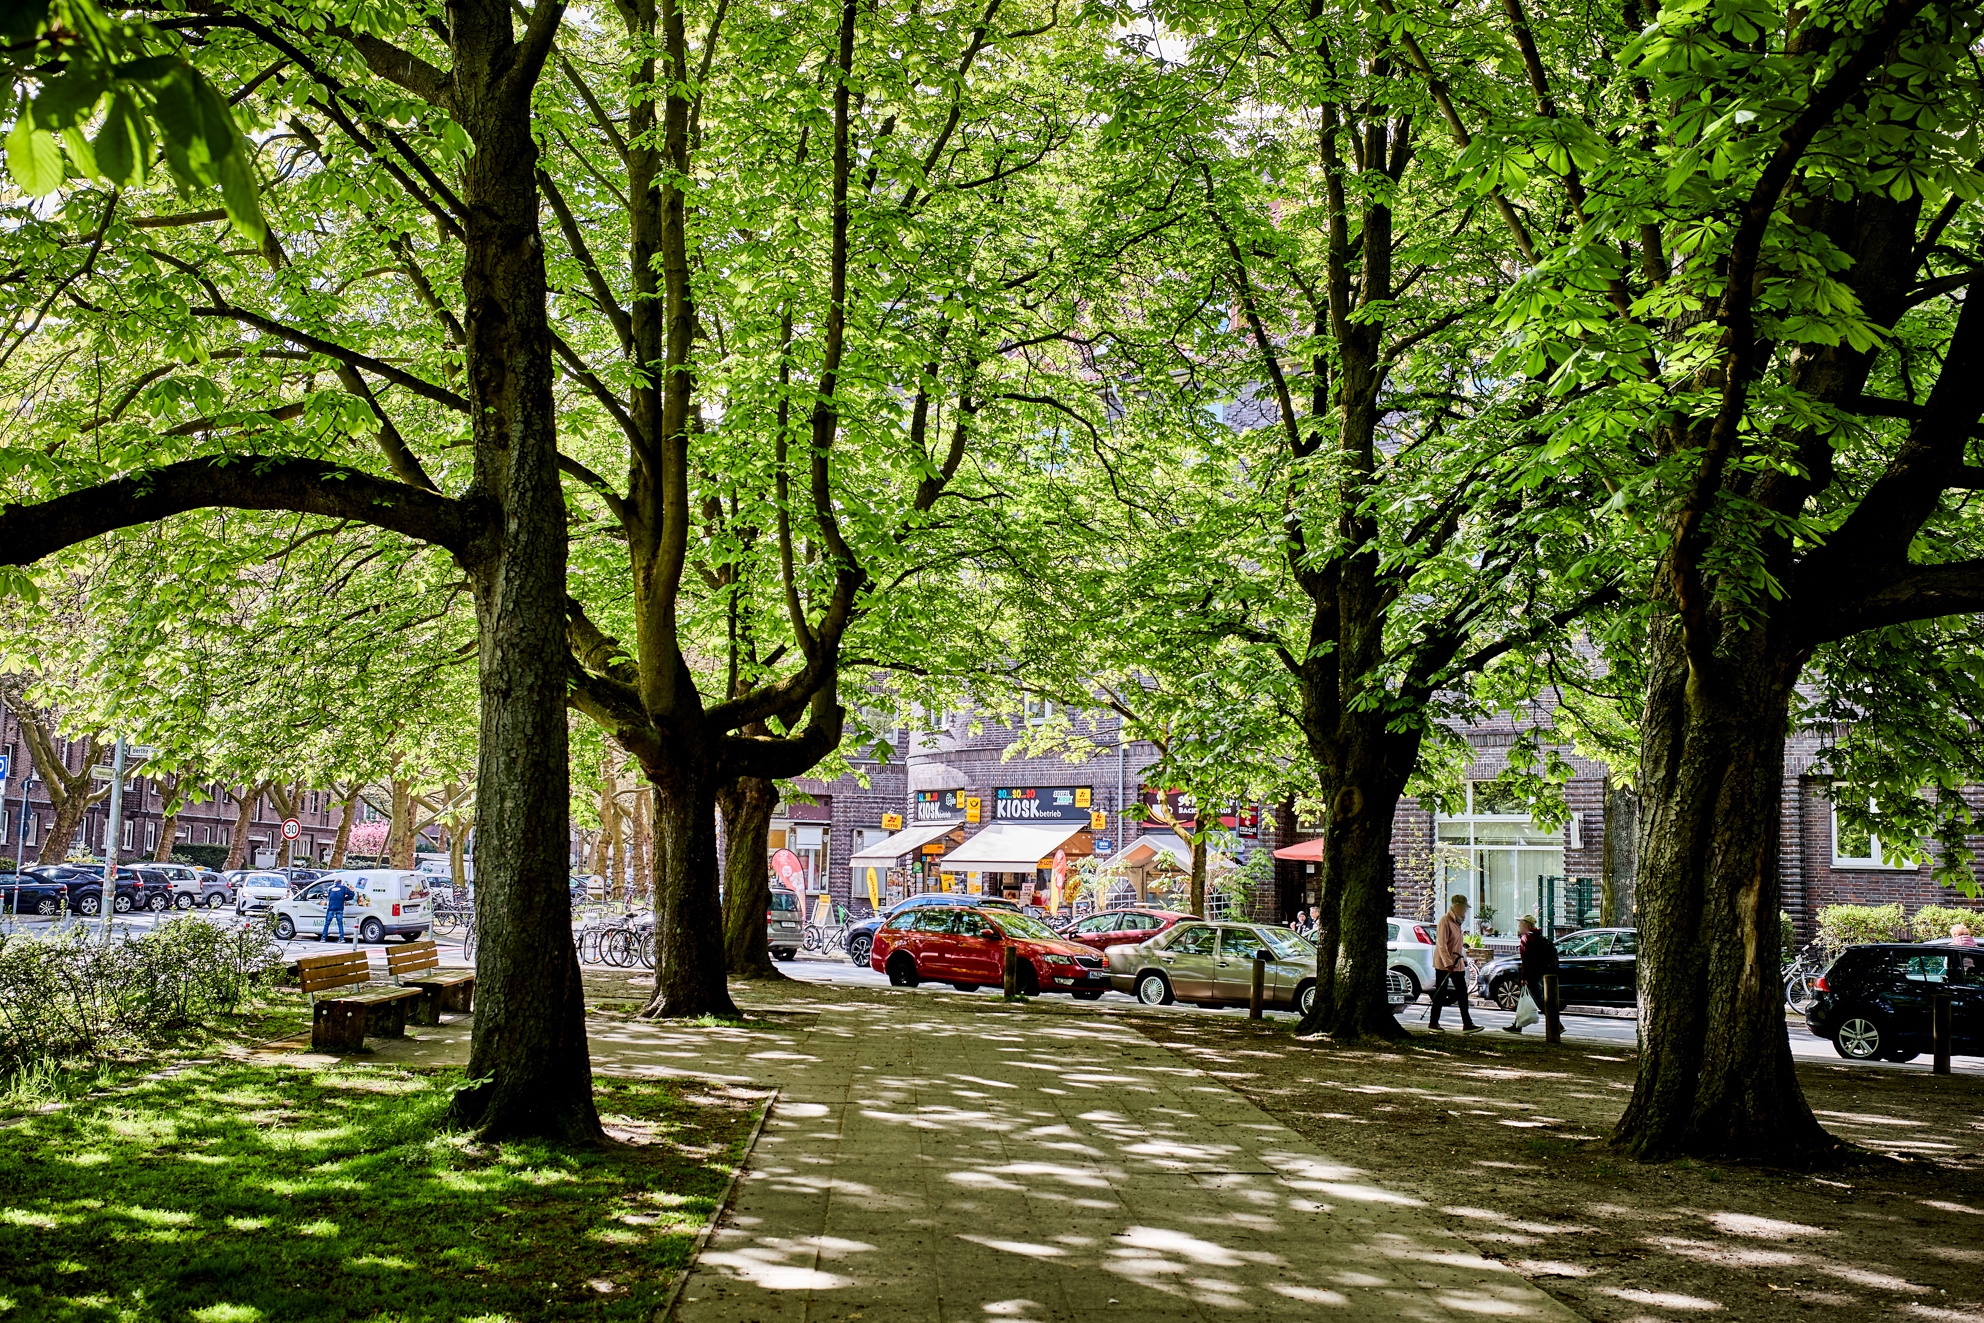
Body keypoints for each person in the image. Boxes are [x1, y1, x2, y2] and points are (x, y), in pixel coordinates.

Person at [1428, 894, 1482, 1033]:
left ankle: (1467, 1023)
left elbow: (1457, 944)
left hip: (1457, 963)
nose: (1465, 911)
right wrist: (1448, 963)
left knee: (1462, 993)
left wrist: (1462, 958)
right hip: (1444, 964)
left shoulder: (1458, 922)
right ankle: (1433, 1022)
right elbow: (1441, 945)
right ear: (1456, 906)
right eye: (1463, 908)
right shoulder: (1445, 921)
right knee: (1440, 993)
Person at [1504, 915, 1562, 1042]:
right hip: (1540, 973)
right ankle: (1516, 1025)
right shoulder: (1537, 937)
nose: (1519, 927)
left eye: (1520, 924)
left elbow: (1526, 960)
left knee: (1540, 1001)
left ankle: (1557, 1025)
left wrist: (1524, 977)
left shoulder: (1526, 938)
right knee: (1525, 997)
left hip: (1531, 975)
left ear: (1526, 925)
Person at [318, 877, 356, 943]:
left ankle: (323, 938)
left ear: (334, 882)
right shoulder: (344, 888)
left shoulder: (330, 888)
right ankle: (341, 938)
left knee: (327, 923)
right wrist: (345, 898)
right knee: (340, 923)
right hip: (339, 908)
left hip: (331, 908)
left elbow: (329, 897)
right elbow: (352, 894)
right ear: (340, 882)